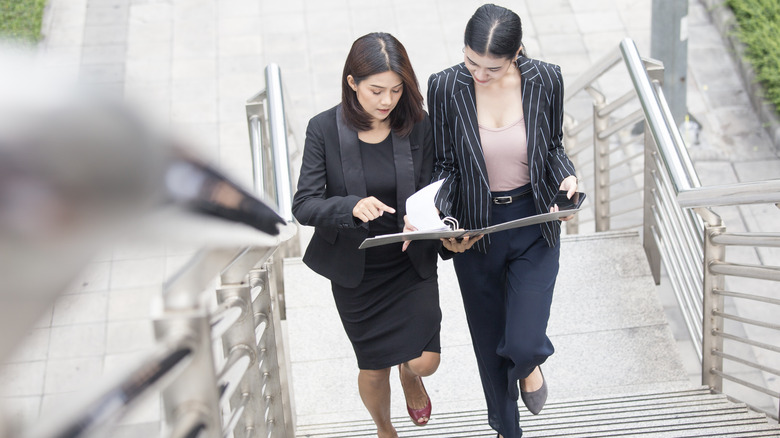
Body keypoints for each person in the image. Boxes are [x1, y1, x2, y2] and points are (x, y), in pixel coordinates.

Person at [426, 4, 578, 438]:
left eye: (491, 67)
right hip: (478, 229)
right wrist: (447, 224)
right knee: (489, 343)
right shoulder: (444, 86)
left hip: (533, 222)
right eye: (471, 60)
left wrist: (566, 174)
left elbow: (552, 147)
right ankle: (506, 430)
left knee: (524, 341)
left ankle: (529, 364)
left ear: (515, 56)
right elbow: (444, 165)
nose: (478, 73)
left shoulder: (546, 78)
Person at [292, 32, 441, 438]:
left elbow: (435, 187)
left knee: (426, 360)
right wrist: (349, 206)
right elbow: (303, 205)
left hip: (409, 262)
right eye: (376, 90)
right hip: (358, 274)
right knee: (373, 369)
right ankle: (384, 428)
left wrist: (427, 219)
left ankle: (410, 373)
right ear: (352, 83)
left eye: (396, 90)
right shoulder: (322, 129)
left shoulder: (418, 125)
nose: (387, 101)